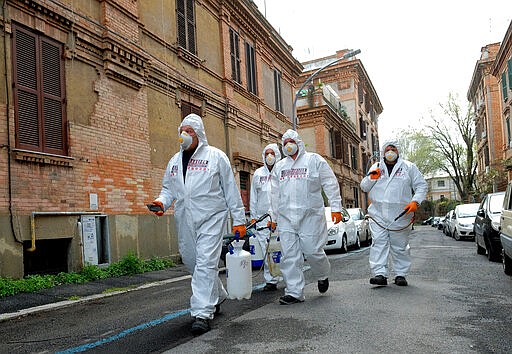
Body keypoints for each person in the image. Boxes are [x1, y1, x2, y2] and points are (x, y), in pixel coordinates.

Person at [149, 113, 246, 335]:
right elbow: (168, 189)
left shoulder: (216, 157)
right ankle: (218, 295)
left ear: (199, 133)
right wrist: (161, 202)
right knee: (192, 261)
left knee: (205, 263)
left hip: (211, 218)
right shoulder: (174, 161)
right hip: (185, 219)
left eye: (189, 131)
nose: (184, 134)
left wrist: (239, 221)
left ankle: (202, 313)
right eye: (182, 130)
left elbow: (231, 190)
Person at [269, 129, 342, 305]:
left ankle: (322, 274)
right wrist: (273, 217)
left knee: (312, 251)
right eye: (284, 142)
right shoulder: (280, 167)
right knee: (290, 255)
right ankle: (294, 292)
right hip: (286, 217)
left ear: (299, 143)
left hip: (310, 216)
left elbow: (330, 183)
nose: (288, 145)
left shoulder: (314, 160)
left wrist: (336, 207)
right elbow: (274, 194)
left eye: (291, 141)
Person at [360, 139, 427, 287]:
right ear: (383, 151)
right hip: (378, 214)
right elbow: (364, 187)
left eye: (394, 149)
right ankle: (380, 274)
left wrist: (415, 201)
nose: (390, 152)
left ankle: (400, 274)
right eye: (388, 149)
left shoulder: (409, 167)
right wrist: (372, 177)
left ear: (398, 151)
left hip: (401, 214)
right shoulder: (376, 167)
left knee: (400, 246)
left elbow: (421, 185)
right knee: (379, 243)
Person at [250, 143, 282, 291]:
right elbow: (253, 197)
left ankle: (289, 277)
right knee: (266, 250)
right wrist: (253, 217)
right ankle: (271, 281)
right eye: (267, 153)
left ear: (277, 155)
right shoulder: (258, 174)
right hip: (263, 220)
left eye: (272, 153)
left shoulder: (282, 171)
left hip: (280, 218)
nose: (270, 156)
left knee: (283, 249)